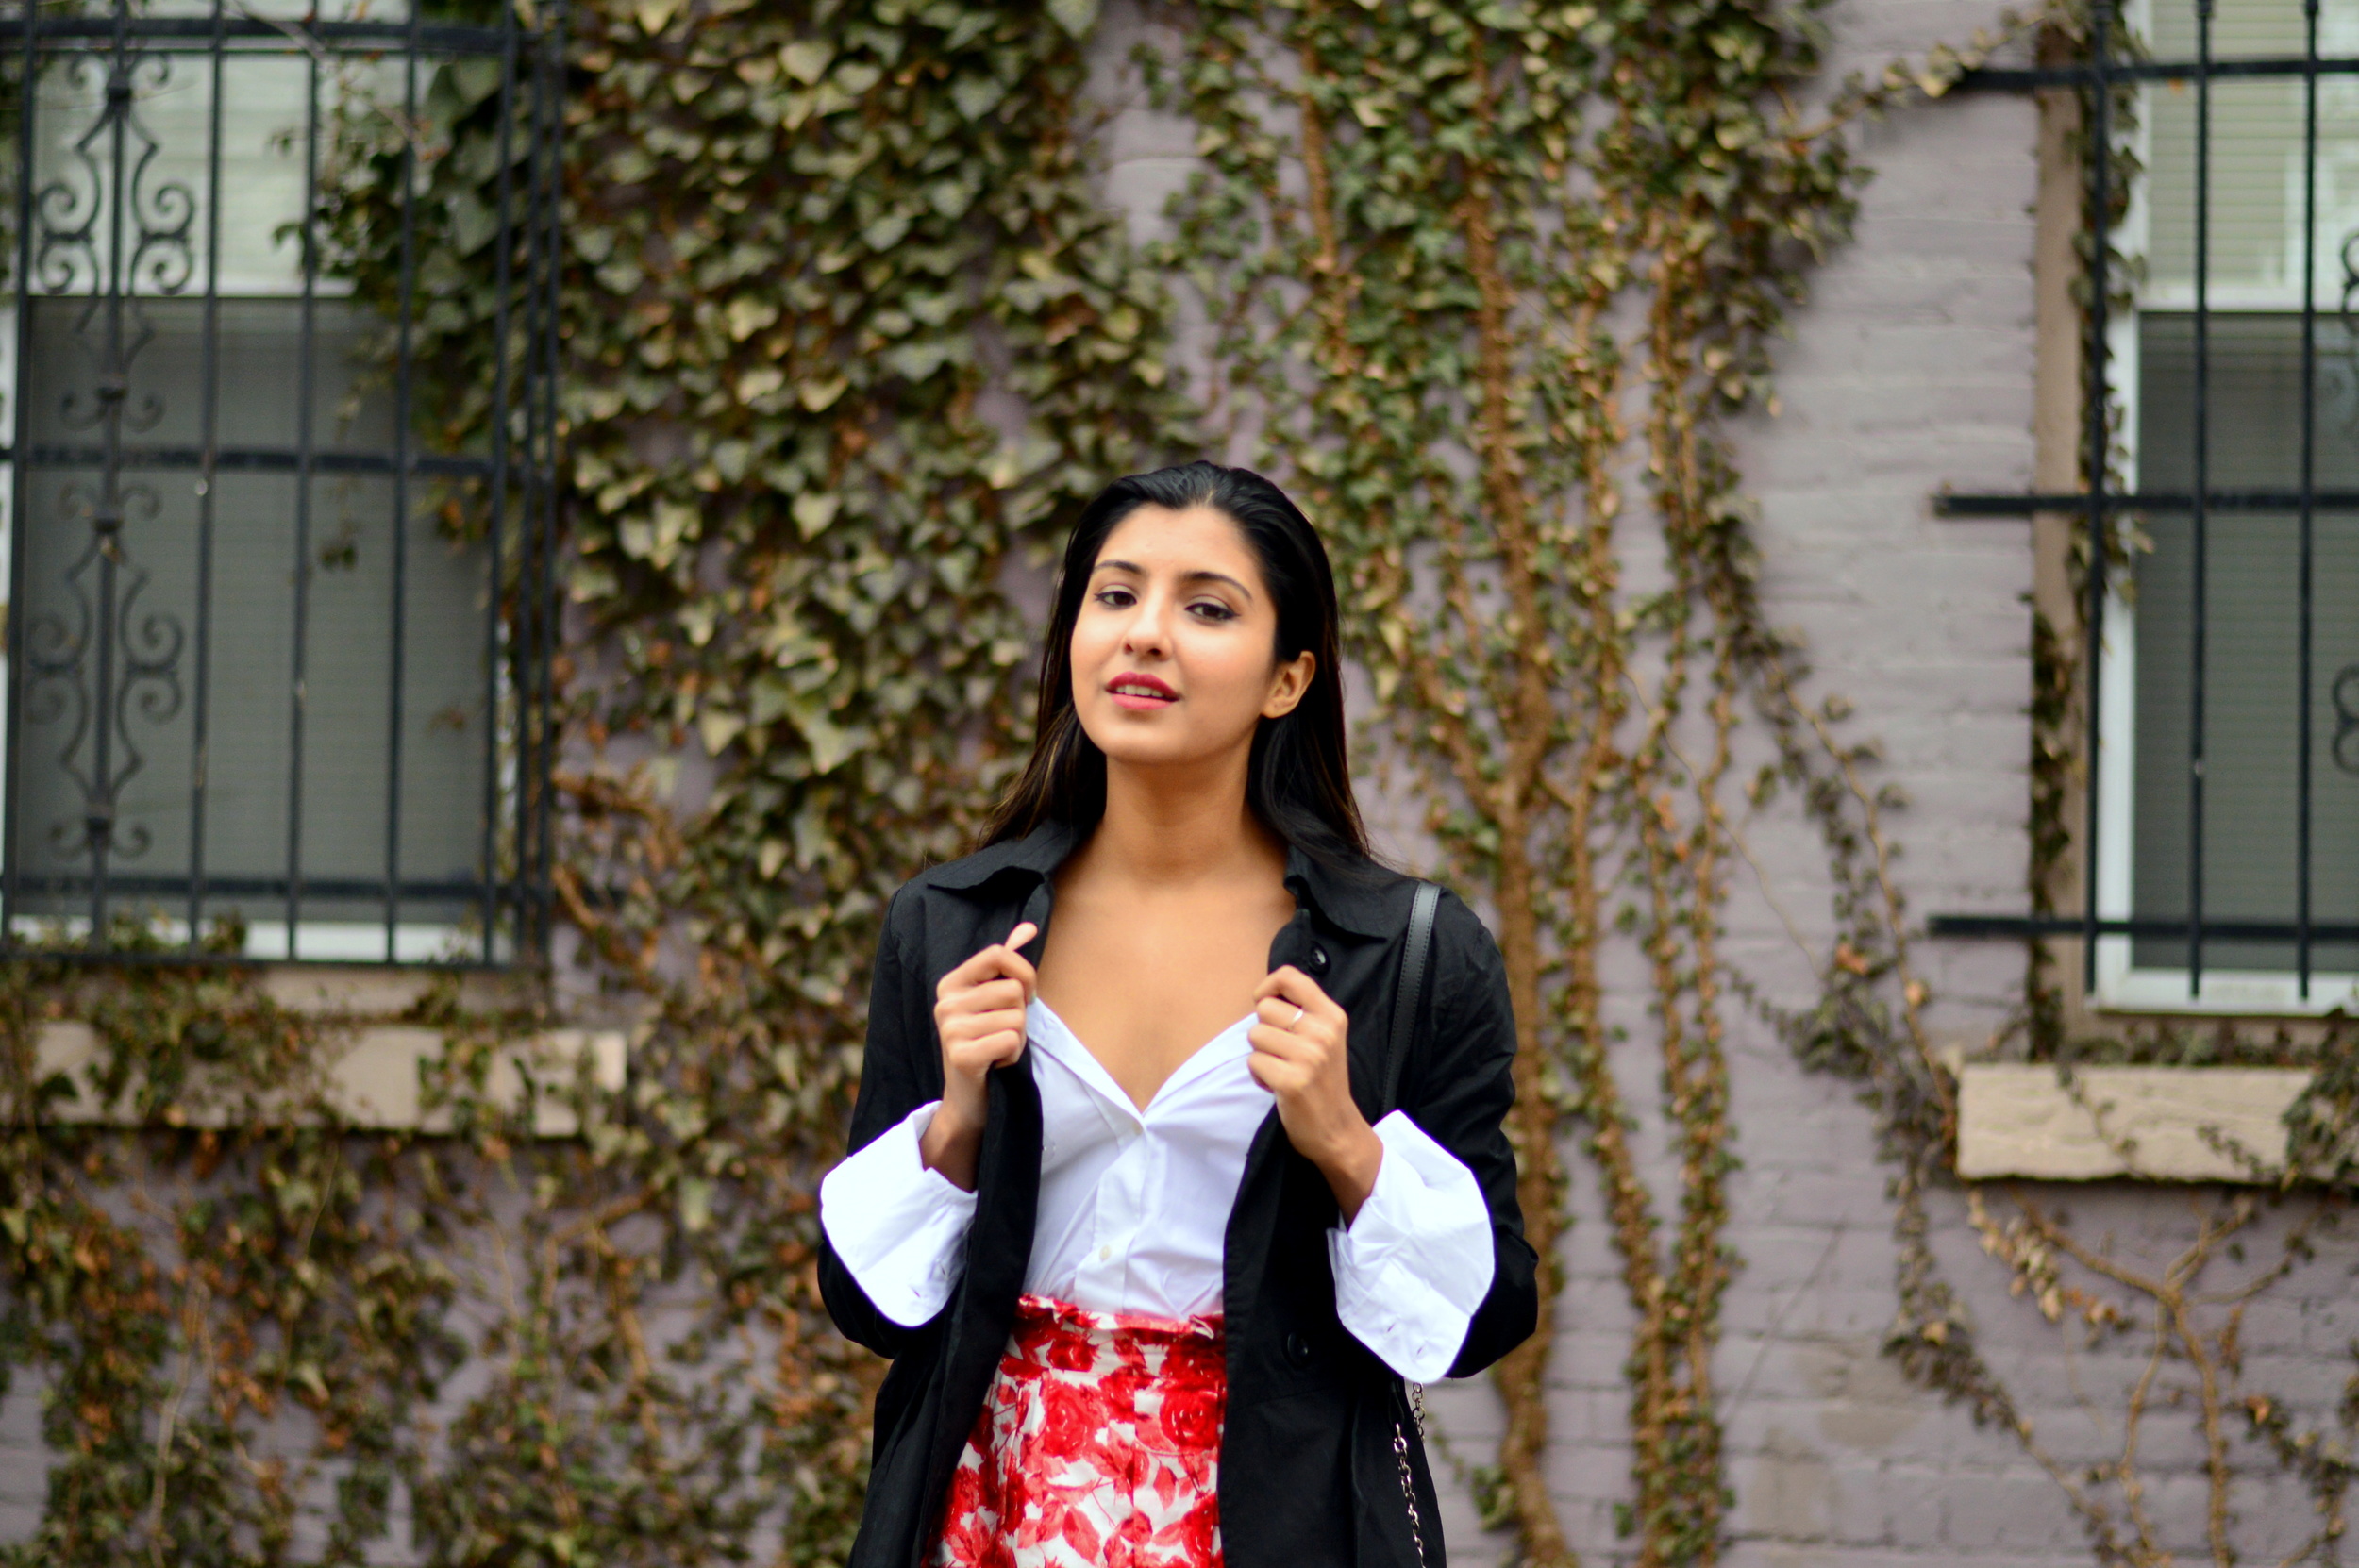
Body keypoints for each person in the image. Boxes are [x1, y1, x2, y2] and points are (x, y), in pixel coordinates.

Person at [817, 461, 1536, 1568]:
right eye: (1115, 596)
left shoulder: (1406, 956)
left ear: (1287, 679)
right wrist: (953, 1125)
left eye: (1206, 607)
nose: (1146, 633)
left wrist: (1344, 1142)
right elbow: (865, 1310)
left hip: (1272, 1515)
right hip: (992, 1508)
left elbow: (1483, 1319)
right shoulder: (950, 926)